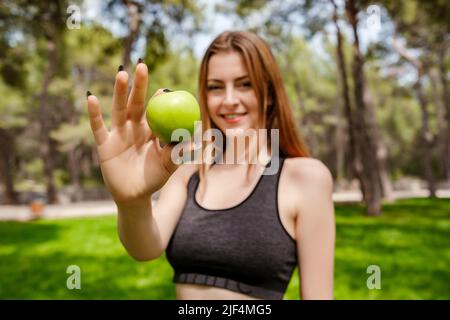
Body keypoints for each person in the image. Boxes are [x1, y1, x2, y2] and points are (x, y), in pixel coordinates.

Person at [86, 31, 335, 300]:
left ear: (270, 94)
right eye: (215, 87)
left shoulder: (306, 178)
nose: (229, 100)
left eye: (245, 84)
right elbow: (146, 248)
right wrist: (131, 201)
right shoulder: (187, 171)